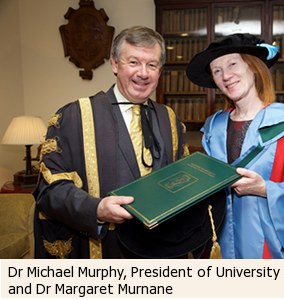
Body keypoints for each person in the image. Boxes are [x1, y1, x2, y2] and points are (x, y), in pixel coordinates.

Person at [33, 26, 224, 259]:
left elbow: (181, 180)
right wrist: (97, 210)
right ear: (115, 64)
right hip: (106, 251)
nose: (143, 73)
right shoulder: (74, 116)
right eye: (133, 62)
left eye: (151, 65)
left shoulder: (169, 118)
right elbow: (49, 191)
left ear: (160, 71)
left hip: (163, 250)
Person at [186, 33, 284, 259]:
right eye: (217, 71)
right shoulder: (212, 128)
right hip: (221, 241)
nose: (226, 76)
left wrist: (266, 189)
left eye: (232, 64)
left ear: (253, 67)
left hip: (269, 245)